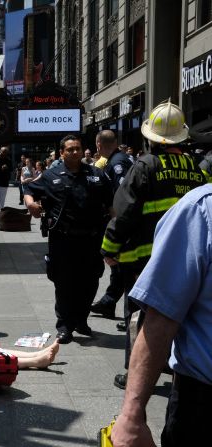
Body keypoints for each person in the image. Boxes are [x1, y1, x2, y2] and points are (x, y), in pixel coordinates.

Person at [100, 100, 206, 390]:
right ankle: (172, 364)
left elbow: (125, 212)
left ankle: (134, 374)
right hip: (185, 260)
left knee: (138, 317)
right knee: (177, 313)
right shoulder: (196, 169)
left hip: (145, 260)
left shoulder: (145, 166)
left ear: (150, 138)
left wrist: (109, 249)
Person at [109, 184, 212, 447]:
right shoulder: (200, 208)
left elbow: (160, 318)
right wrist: (132, 415)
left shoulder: (199, 209)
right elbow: (161, 317)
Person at [24, 134, 113, 344]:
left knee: (90, 282)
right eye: (70, 149)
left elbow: (111, 204)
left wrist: (116, 231)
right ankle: (64, 326)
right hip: (63, 241)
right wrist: (30, 204)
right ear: (62, 153)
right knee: (64, 284)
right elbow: (29, 188)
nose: (75, 152)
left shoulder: (97, 175)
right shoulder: (51, 175)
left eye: (78, 149)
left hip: (92, 241)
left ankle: (81, 320)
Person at [90, 130, 133, 319]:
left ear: (98, 145)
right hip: (123, 223)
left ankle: (129, 314)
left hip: (122, 224)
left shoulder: (117, 164)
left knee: (123, 267)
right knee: (119, 268)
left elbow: (121, 198)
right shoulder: (119, 159)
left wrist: (117, 230)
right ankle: (108, 302)